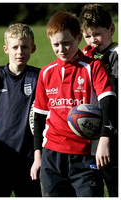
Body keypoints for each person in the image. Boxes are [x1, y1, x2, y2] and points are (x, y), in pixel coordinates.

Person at [30, 11, 117, 197]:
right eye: (56, 44)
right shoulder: (46, 73)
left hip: (85, 155)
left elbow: (108, 102)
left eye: (66, 43)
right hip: (51, 156)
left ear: (78, 38)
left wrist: (104, 138)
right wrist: (38, 157)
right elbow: (39, 117)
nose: (61, 49)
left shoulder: (93, 67)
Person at [0, 23, 42, 197]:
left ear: (33, 48)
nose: (20, 52)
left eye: (25, 47)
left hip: (28, 160)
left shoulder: (39, 78)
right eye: (15, 47)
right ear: (6, 49)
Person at [79, 4, 118, 197]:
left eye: (97, 34)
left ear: (111, 29)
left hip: (114, 135)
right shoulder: (88, 59)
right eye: (87, 36)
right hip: (92, 134)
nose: (93, 40)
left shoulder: (117, 56)